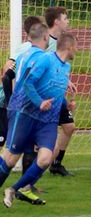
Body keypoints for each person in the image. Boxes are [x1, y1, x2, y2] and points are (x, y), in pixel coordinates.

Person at [1, 32, 77, 208]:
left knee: (44, 159)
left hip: (48, 121)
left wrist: (66, 106)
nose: (77, 51)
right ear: (70, 47)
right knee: (10, 158)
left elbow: (56, 93)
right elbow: (28, 83)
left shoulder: (66, 68)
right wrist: (39, 102)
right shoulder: (45, 60)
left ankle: (13, 190)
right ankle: (14, 189)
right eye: (77, 47)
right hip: (28, 115)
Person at [1, 16, 44, 149]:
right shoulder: (27, 47)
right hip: (7, 102)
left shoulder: (34, 49)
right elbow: (7, 70)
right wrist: (11, 99)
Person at [45, 7, 78, 177]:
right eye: (65, 18)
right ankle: (38, 164)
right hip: (43, 96)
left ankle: (55, 164)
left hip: (57, 95)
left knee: (69, 127)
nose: (68, 21)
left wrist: (66, 81)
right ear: (56, 21)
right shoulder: (44, 43)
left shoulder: (62, 43)